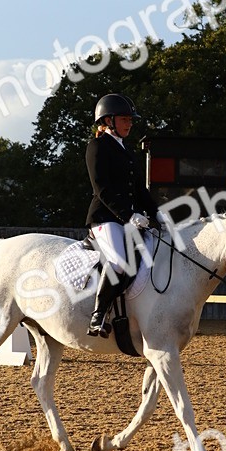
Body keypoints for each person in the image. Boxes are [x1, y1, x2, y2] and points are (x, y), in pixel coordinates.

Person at [84, 93, 160, 337]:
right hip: (105, 219)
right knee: (119, 261)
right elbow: (101, 188)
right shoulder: (97, 147)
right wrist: (129, 215)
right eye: (125, 119)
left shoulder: (126, 150)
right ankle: (98, 315)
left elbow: (140, 190)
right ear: (108, 121)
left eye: (130, 119)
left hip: (128, 219)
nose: (129, 124)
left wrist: (158, 215)